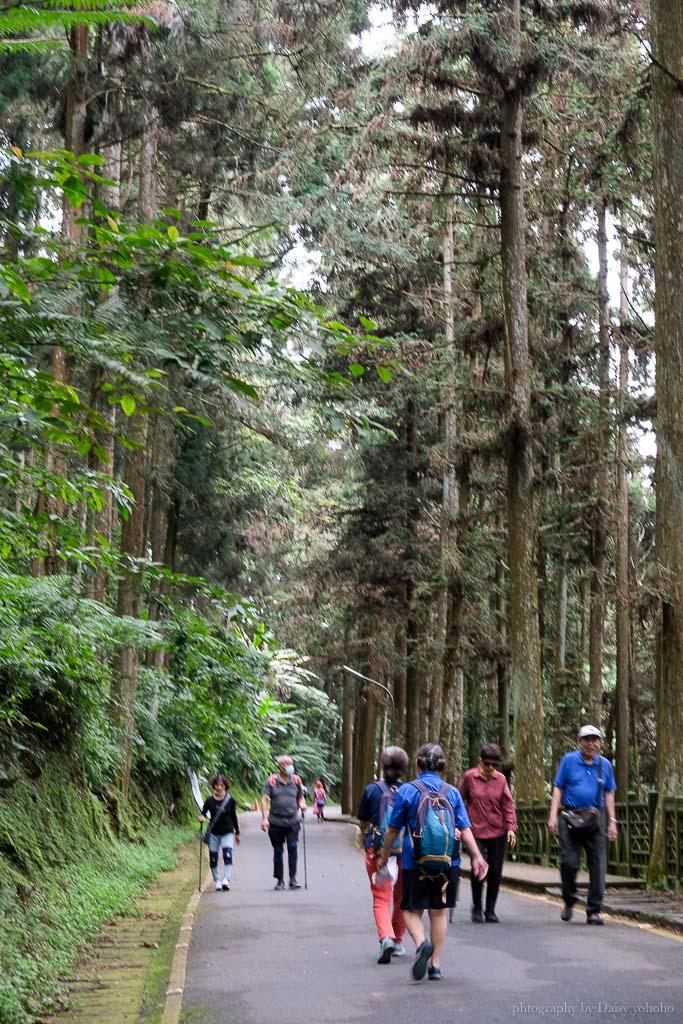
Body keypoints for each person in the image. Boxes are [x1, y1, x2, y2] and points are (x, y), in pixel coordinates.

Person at [376, 742, 488, 981]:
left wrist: (384, 855)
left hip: (414, 860)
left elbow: (393, 830)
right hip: (449, 861)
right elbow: (465, 828)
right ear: (442, 766)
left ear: (417, 764)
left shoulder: (407, 790)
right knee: (438, 913)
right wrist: (478, 857)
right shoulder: (452, 792)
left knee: (410, 909)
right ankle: (435, 965)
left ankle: (420, 943)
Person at [548, 724, 618, 925]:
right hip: (570, 817)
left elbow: (609, 793)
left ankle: (594, 910)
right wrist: (553, 815)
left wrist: (612, 821)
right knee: (569, 862)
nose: (590, 744)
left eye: (594, 740)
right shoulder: (569, 761)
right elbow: (558, 788)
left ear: (599, 743)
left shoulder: (604, 765)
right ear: (579, 742)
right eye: (586, 740)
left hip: (596, 819)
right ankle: (569, 899)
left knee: (598, 865)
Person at [357, 746, 410, 964]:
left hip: (378, 850)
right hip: (404, 851)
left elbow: (363, 822)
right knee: (401, 897)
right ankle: (397, 940)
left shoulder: (372, 790)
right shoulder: (409, 791)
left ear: (383, 765)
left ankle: (385, 938)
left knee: (381, 898)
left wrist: (366, 837)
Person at [458, 742, 517, 923]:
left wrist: (511, 828)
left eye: (494, 765)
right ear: (480, 761)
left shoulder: (500, 780)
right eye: (487, 764)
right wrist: (458, 825)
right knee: (479, 868)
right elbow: (459, 800)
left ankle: (490, 909)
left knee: (495, 872)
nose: (490, 768)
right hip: (475, 831)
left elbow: (508, 805)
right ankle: (477, 906)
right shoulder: (469, 777)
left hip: (497, 831)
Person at [261, 754, 307, 890]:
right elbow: (264, 799)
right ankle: (280, 880)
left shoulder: (297, 780)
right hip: (276, 821)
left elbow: (300, 798)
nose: (290, 766)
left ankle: (293, 879)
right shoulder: (272, 781)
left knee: (293, 848)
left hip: (293, 820)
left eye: (291, 763)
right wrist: (264, 818)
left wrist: (303, 804)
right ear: (280, 766)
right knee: (278, 851)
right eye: (287, 764)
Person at [198, 774, 241, 892]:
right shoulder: (209, 801)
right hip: (214, 833)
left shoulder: (230, 801)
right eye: (217, 785)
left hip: (227, 832)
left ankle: (226, 880)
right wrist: (201, 817)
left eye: (221, 785)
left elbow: (234, 817)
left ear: (225, 786)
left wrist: (237, 832)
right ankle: (217, 881)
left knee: (227, 855)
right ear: (214, 786)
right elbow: (204, 813)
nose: (219, 787)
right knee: (213, 858)